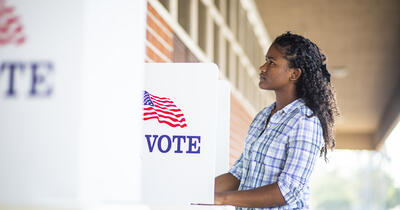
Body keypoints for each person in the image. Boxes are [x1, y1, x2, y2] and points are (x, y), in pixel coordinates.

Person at [214, 32, 340, 209]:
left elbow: (287, 190)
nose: (262, 67)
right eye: (266, 60)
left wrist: (222, 199)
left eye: (271, 62)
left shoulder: (305, 122)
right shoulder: (262, 116)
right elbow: (240, 173)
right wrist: (197, 191)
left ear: (294, 74)